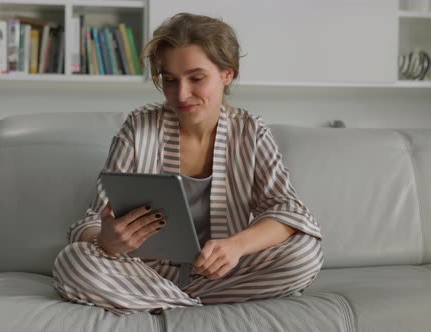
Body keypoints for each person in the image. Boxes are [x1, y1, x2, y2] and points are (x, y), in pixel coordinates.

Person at [52, 12, 323, 315]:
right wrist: (106, 240)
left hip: (221, 274)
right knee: (72, 261)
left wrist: (236, 246)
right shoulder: (138, 128)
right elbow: (89, 222)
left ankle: (161, 303)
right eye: (170, 80)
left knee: (305, 253)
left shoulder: (252, 132)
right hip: (141, 273)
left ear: (227, 74)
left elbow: (288, 212)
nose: (181, 94)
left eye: (196, 78)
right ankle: (192, 307)